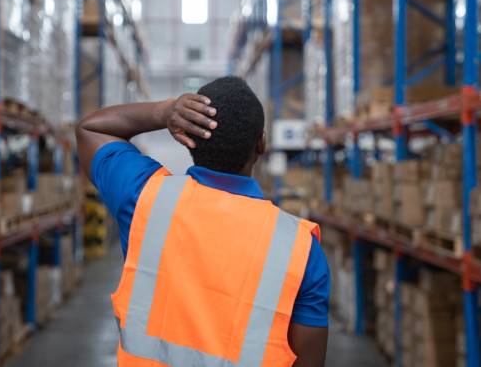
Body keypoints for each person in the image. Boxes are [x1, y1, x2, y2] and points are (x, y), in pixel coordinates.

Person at [76, 76, 330, 367]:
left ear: (187, 137)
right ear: (261, 144)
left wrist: (165, 111)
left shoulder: (145, 199)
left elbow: (91, 129)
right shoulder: (300, 249)